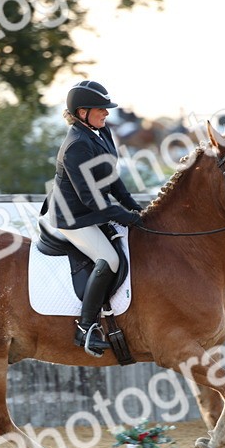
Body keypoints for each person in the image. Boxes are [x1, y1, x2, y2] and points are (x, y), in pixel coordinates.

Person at [39, 80, 144, 355]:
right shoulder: (76, 145)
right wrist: (124, 216)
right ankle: (86, 328)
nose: (107, 113)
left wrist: (134, 207)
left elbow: (111, 176)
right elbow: (90, 199)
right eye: (101, 109)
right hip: (73, 217)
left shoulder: (101, 132)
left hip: (94, 209)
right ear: (82, 112)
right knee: (109, 259)